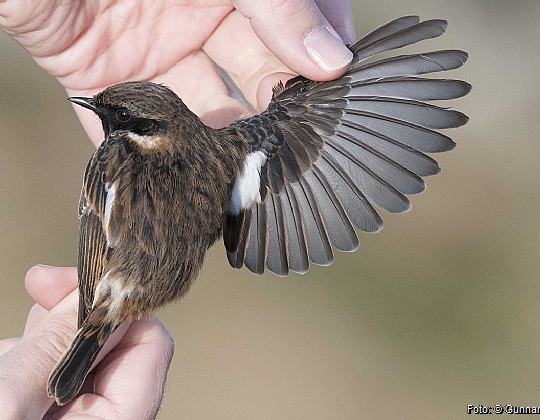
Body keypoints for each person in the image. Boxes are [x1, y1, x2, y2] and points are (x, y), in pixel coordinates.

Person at [0, 0, 355, 418]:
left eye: (114, 116)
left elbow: (97, 228)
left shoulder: (113, 159)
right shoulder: (232, 152)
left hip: (111, 282)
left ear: (144, 128)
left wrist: (91, 307)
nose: (106, 120)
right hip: (169, 281)